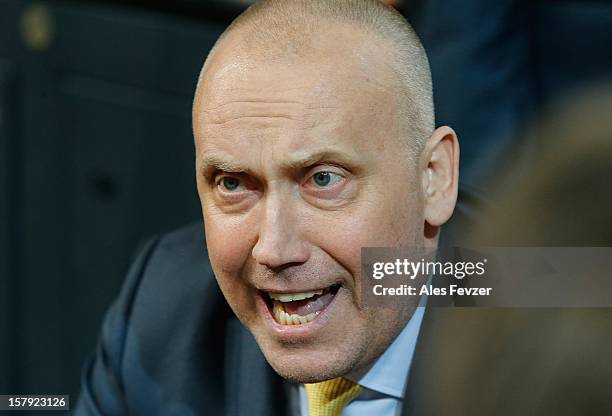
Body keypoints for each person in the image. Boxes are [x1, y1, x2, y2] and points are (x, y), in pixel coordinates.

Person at [75, 1, 460, 415]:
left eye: (323, 179)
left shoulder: (532, 333)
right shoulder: (164, 304)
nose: (274, 250)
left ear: (433, 179)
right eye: (234, 184)